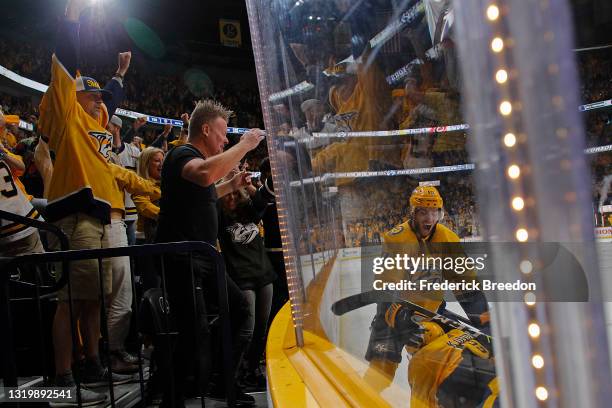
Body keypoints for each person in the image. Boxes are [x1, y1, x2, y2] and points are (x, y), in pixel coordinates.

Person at [38, 0, 132, 402]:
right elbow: (64, 67)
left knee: (95, 295)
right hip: (75, 213)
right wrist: (72, 20)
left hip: (99, 216)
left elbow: (109, 98)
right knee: (71, 299)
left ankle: (91, 359)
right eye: (90, 97)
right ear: (74, 98)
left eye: (99, 98)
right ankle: (61, 372)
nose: (98, 102)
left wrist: (119, 75)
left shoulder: (94, 123)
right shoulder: (65, 112)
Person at [155, 99, 264, 407]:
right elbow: (203, 175)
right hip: (181, 256)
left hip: (202, 256)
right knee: (193, 331)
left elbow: (205, 193)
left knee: (240, 309)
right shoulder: (182, 154)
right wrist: (244, 146)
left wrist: (229, 185)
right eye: (222, 133)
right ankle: (172, 399)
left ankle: (218, 382)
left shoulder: (195, 162)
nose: (225, 139)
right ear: (205, 129)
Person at [363, 186, 494, 406]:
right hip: (396, 314)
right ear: (413, 212)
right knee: (379, 376)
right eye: (424, 212)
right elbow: (386, 288)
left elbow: (466, 285)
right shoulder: (397, 239)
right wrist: (396, 315)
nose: (430, 218)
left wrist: (483, 320)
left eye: (435, 212)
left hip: (432, 313)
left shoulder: (448, 239)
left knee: (447, 359)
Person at [217, 170, 276, 391]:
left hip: (264, 274)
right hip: (242, 279)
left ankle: (251, 370)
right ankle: (231, 375)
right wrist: (227, 183)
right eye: (227, 196)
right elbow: (209, 199)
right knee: (246, 331)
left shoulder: (249, 211)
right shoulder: (219, 216)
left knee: (261, 330)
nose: (231, 199)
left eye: (234, 195)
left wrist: (247, 184)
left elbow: (264, 197)